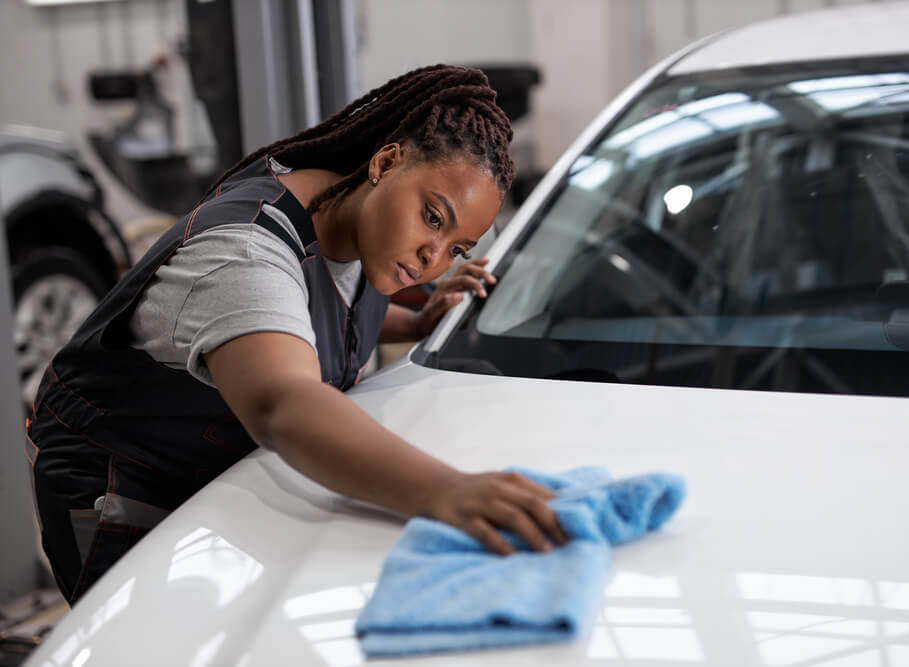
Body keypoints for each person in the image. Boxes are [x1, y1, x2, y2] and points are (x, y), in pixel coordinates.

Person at [26, 65, 568, 605]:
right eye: (432, 217)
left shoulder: (363, 231)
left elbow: (311, 316)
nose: (434, 257)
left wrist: (417, 322)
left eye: (456, 249)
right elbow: (285, 405)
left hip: (207, 483)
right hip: (121, 488)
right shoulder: (245, 252)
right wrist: (449, 491)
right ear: (385, 161)